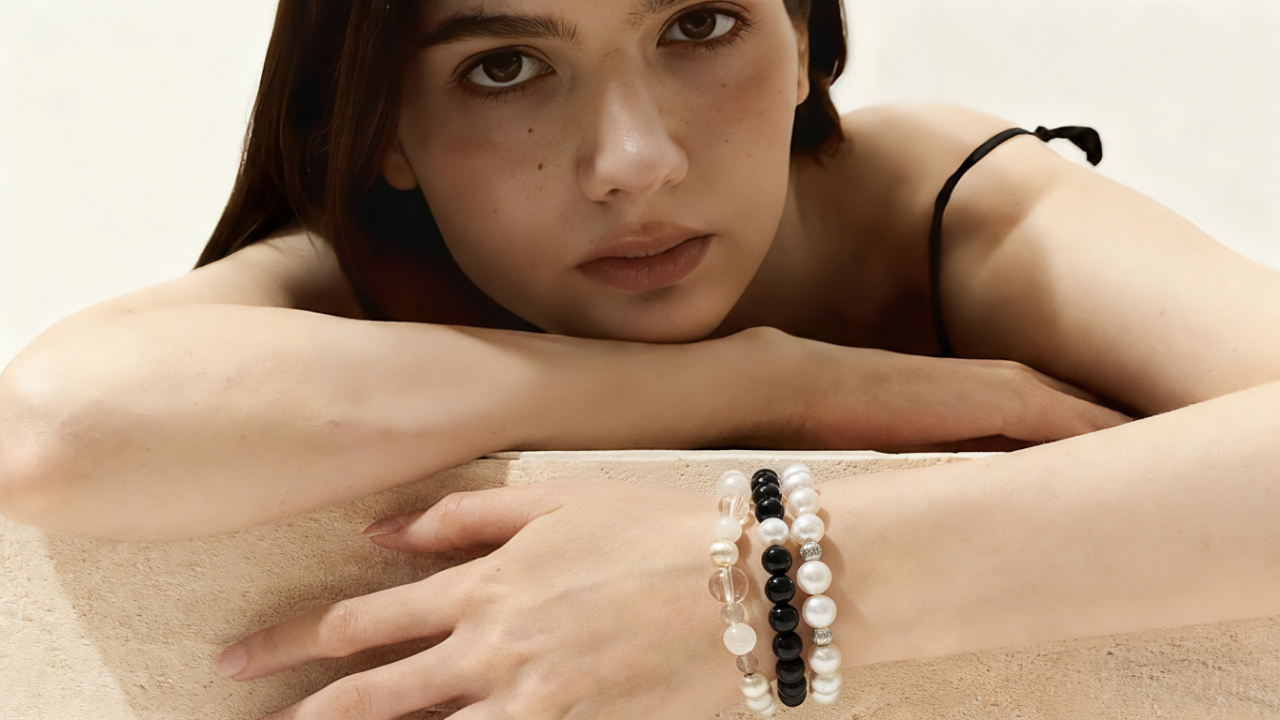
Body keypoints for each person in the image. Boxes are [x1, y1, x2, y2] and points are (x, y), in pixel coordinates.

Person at [0, 0, 1277, 717]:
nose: (634, 161)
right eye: (504, 67)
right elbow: (55, 431)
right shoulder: (361, 272)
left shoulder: (934, 205)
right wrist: (774, 381)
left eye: (700, 23)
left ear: (807, 46)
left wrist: (739, 579)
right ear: (382, 129)